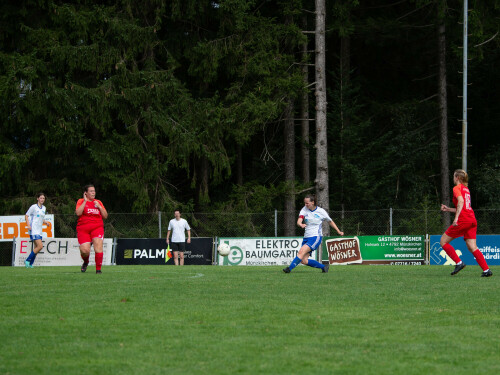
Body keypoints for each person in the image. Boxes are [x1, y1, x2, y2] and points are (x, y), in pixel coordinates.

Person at [440, 169, 492, 277]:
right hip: (472, 220)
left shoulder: (456, 188)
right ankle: (486, 270)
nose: (453, 178)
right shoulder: (466, 189)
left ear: (457, 178)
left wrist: (456, 219)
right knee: (472, 246)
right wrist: (448, 209)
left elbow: (461, 202)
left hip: (463, 220)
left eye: (454, 176)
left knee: (443, 241)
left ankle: (459, 263)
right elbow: (463, 207)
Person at [283, 194, 344, 273]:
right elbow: (299, 220)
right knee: (304, 261)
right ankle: (324, 267)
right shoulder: (304, 209)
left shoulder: (321, 211)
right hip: (306, 237)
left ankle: (289, 269)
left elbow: (330, 221)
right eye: (305, 203)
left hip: (315, 237)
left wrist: (338, 231)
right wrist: (300, 224)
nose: (305, 205)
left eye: (307, 203)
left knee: (301, 252)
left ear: (313, 202)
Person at [75, 184, 108, 274]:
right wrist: (85, 202)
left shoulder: (98, 202)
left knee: (98, 247)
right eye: (91, 191)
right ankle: (86, 261)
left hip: (97, 227)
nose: (93, 193)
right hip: (83, 228)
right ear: (86, 193)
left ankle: (98, 270)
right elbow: (78, 213)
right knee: (85, 251)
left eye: (94, 191)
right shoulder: (81, 201)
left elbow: (105, 216)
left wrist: (100, 207)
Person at [24, 192, 50, 268]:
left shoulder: (44, 208)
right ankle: (27, 260)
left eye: (43, 198)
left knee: (36, 248)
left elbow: (41, 218)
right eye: (41, 198)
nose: (42, 199)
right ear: (37, 198)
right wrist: (28, 225)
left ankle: (30, 264)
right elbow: (26, 215)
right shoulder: (33, 207)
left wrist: (45, 222)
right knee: (40, 246)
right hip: (34, 229)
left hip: (39, 230)